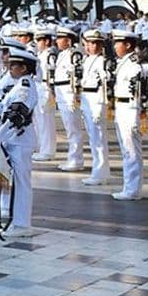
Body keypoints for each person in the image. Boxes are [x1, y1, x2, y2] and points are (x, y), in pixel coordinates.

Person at [0, 48, 38, 237]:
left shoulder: (25, 86)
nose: (10, 68)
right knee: (13, 181)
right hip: (13, 139)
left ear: (23, 68)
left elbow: (17, 115)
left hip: (20, 140)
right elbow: (5, 110)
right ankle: (16, 220)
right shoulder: (18, 85)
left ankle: (23, 224)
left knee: (22, 183)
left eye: (13, 65)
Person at [110, 29, 148, 201]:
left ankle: (133, 189)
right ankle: (129, 186)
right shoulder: (123, 62)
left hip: (130, 108)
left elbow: (140, 92)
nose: (115, 46)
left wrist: (137, 116)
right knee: (126, 150)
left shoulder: (135, 64)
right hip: (121, 107)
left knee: (132, 150)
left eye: (118, 43)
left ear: (127, 45)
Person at [78, 30, 112, 187]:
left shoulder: (101, 61)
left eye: (93, 43)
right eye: (89, 43)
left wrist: (100, 105)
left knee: (98, 139)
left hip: (96, 99)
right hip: (87, 98)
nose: (89, 46)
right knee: (93, 138)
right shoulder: (87, 60)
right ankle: (97, 170)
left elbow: (105, 85)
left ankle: (100, 172)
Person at [52, 27, 86, 172]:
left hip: (69, 93)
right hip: (61, 92)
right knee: (68, 127)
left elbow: (77, 76)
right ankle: (72, 157)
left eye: (60, 38)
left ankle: (76, 159)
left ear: (69, 40)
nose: (57, 41)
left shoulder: (74, 54)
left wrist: (74, 95)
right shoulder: (61, 55)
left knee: (73, 128)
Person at [32, 27, 59, 161]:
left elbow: (52, 73)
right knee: (40, 121)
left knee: (46, 121)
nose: (37, 43)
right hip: (39, 86)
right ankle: (43, 147)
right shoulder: (41, 54)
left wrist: (51, 92)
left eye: (40, 40)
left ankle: (48, 150)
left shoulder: (49, 55)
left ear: (47, 42)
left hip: (46, 87)